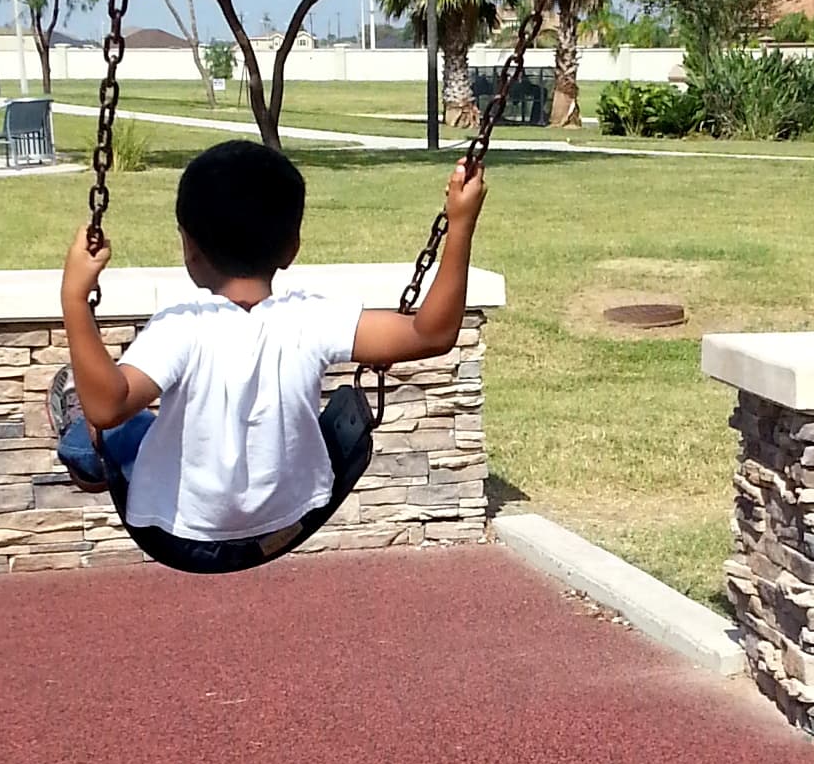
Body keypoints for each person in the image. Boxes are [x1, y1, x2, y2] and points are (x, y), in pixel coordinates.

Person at [49, 137, 486, 563]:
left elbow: (109, 404)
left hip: (179, 530)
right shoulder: (313, 320)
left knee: (108, 425)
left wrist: (74, 298)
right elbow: (433, 334)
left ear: (190, 248)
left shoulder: (180, 326)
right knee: (147, 422)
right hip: (287, 521)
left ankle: (79, 441)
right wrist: (461, 224)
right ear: (292, 246)